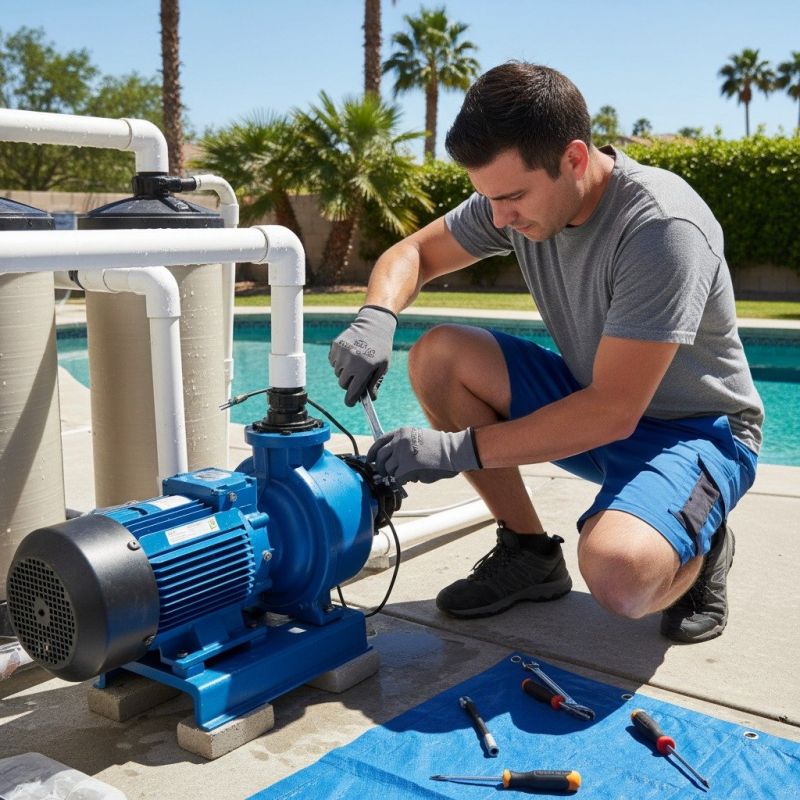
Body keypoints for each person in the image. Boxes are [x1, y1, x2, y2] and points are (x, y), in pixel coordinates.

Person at [328, 62, 763, 644]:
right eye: (489, 198)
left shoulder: (661, 228)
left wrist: (454, 450)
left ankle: (701, 541)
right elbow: (414, 254)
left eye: (511, 197)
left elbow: (613, 412)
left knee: (620, 576)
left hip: (700, 434)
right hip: (597, 402)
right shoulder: (515, 202)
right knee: (439, 356)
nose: (499, 218)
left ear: (575, 159)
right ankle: (529, 552)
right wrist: (376, 316)